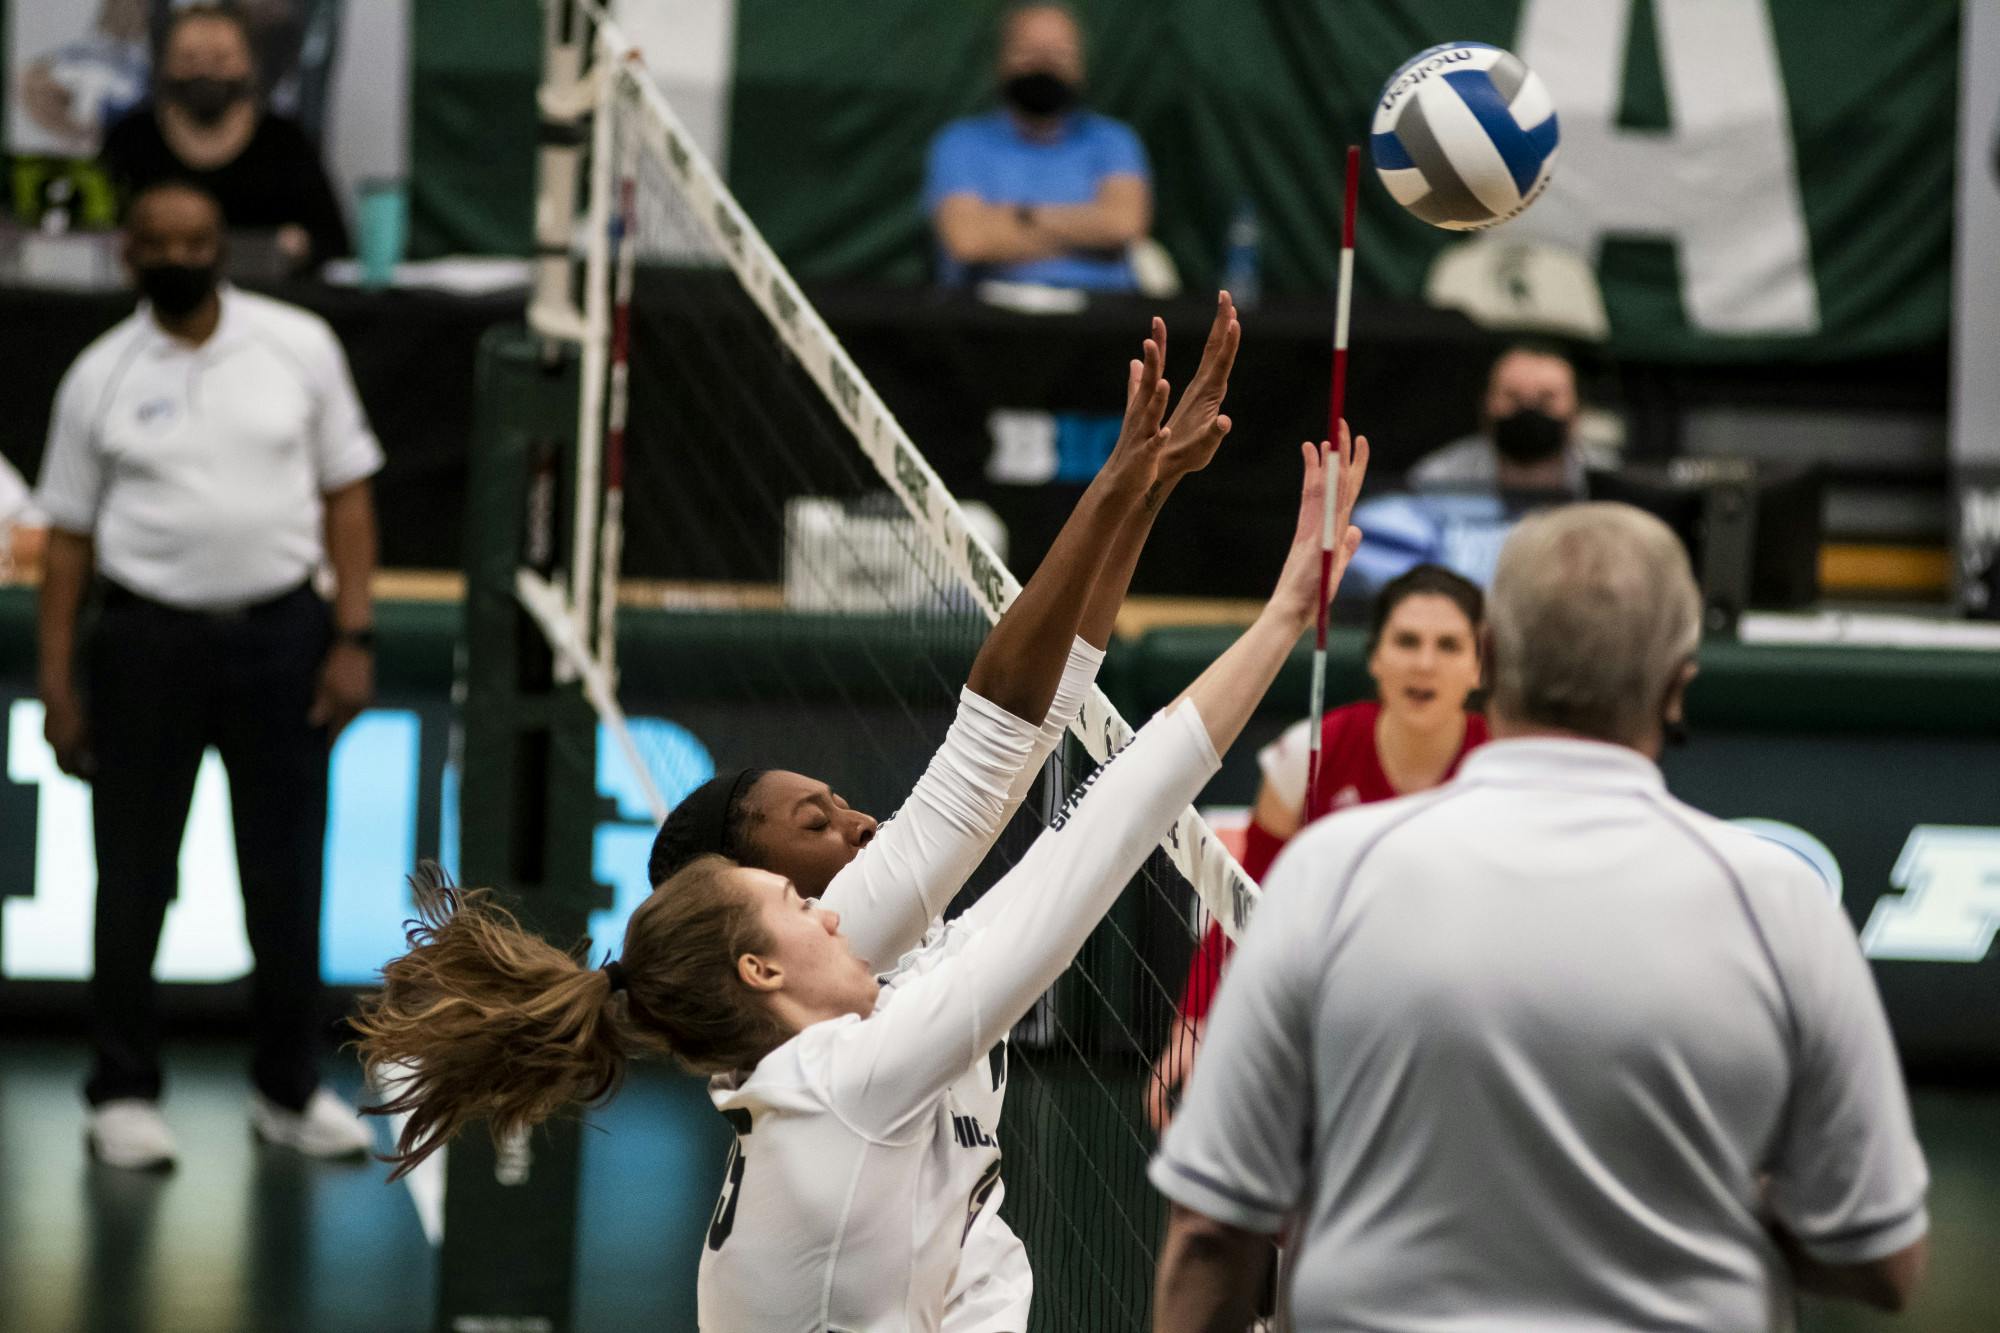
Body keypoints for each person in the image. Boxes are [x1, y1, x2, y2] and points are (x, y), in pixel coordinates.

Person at [354, 425, 1370, 1333]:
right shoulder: (846, 1081)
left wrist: (1140, 502)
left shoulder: (829, 1056)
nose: (835, 912)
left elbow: (1064, 827)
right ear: (757, 969)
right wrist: (1283, 611)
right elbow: (1085, 845)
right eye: (801, 902)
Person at [1150, 504, 1930, 1331]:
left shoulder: (1331, 872)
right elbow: (1881, 1256)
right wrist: (1718, 1195)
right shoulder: (1781, 903)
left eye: (1445, 643)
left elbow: (1211, 1231)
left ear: (1485, 659)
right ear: (1679, 683)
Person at [643, 294, 1241, 1332]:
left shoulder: (857, 964)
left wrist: (1142, 496)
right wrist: (1114, 487)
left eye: (836, 804)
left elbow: (1046, 708)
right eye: (811, 827)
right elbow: (994, 743)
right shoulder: (850, 939)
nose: (857, 825)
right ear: (747, 910)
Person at [35, 180, 381, 1171]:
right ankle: (123, 1090)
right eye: (159, 240)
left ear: (221, 247)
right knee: (135, 876)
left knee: (286, 873)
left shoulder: (297, 345)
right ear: (129, 254)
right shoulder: (97, 375)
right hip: (145, 646)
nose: (181, 253)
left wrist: (353, 635)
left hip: (283, 636)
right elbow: (66, 542)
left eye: (197, 237)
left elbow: (348, 495)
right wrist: (60, 687)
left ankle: (287, 1086)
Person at [1146, 564, 1487, 1133]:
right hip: (1334, 1021)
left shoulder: (1501, 766)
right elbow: (1246, 907)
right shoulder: (1306, 757)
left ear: (1479, 666)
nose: (1424, 663)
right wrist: (1195, 1021)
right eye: (1406, 642)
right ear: (1375, 657)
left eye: (1448, 645)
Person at [1344, 342, 1608, 596]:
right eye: (1512, 397)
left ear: (1576, 411)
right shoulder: (1437, 478)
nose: (1528, 410)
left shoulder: (1607, 483)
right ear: (1486, 405)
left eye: (1547, 399)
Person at [100, 5, 350, 270]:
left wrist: (301, 245)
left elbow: (333, 240)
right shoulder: (131, 138)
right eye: (189, 59)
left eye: (221, 59)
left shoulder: (285, 143)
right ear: (164, 64)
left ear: (251, 65)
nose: (205, 72)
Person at [923, 2, 1152, 292]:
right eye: (1028, 51)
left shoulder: (1114, 141)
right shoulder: (959, 143)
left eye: (1058, 53)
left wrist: (1023, 216)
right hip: (985, 319)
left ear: (1080, 65)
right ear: (999, 60)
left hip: (1102, 318)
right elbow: (968, 241)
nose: (1044, 65)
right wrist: (1090, 237)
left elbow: (1123, 227)